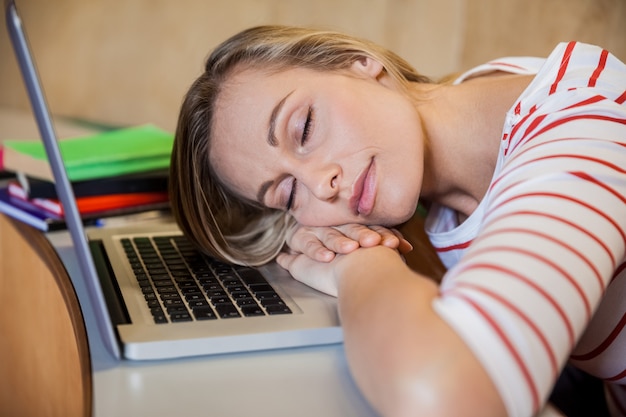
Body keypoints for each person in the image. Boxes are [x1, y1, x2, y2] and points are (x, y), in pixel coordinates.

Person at [169, 25, 626, 417]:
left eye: (304, 127)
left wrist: (357, 261)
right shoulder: (468, 99)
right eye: (287, 194)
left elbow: (446, 399)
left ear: (359, 62)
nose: (321, 185)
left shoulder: (584, 126)